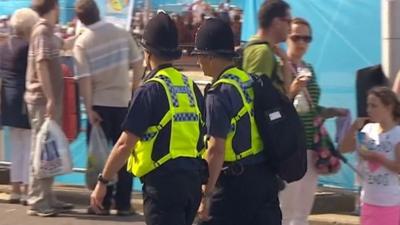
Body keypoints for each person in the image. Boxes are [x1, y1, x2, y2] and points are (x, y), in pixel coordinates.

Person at [90, 11, 206, 225]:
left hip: (163, 188)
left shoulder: (150, 90)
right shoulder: (190, 87)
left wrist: (103, 181)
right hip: (191, 183)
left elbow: (125, 144)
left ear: (147, 53)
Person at [194, 18, 281, 225]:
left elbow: (216, 149)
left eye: (200, 56)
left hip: (234, 185)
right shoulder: (248, 80)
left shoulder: (219, 93)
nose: (198, 62)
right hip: (265, 177)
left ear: (211, 57)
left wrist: (206, 194)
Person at [73, 0, 144, 216]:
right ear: (98, 12)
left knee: (101, 157)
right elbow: (139, 61)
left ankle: (101, 203)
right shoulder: (122, 33)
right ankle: (123, 204)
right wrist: (133, 90)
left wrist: (89, 107)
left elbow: (83, 80)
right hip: (123, 103)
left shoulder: (82, 42)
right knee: (123, 154)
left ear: (80, 19)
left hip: (99, 106)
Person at [278, 17, 347, 225]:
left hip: (312, 146)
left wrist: (331, 111)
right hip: (289, 147)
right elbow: (275, 107)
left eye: (306, 38)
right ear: (287, 38)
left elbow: (311, 109)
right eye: (296, 37)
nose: (301, 43)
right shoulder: (280, 67)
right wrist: (291, 91)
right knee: (285, 208)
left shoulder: (308, 68)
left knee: (303, 209)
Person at [25, 0, 73, 217]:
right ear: (53, 8)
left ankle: (47, 194)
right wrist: (51, 98)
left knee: (48, 147)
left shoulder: (48, 32)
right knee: (42, 147)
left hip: (46, 99)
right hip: (42, 99)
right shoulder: (42, 32)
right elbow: (42, 65)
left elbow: (64, 45)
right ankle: (37, 199)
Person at [339, 86, 400, 225]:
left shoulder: (397, 134)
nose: (369, 110)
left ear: (388, 107)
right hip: (367, 200)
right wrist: (354, 128)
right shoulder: (368, 130)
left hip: (389, 202)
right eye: (368, 105)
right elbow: (344, 148)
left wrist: (378, 158)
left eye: (374, 106)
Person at [0, 8, 38, 205]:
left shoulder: (4, 46)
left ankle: (15, 189)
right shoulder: (28, 47)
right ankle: (25, 189)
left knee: (16, 146)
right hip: (24, 101)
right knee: (29, 145)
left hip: (7, 101)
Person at [242, 0, 304, 100]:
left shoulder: (260, 47)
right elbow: (255, 99)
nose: (290, 28)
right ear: (276, 22)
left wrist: (285, 61)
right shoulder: (263, 52)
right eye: (288, 22)